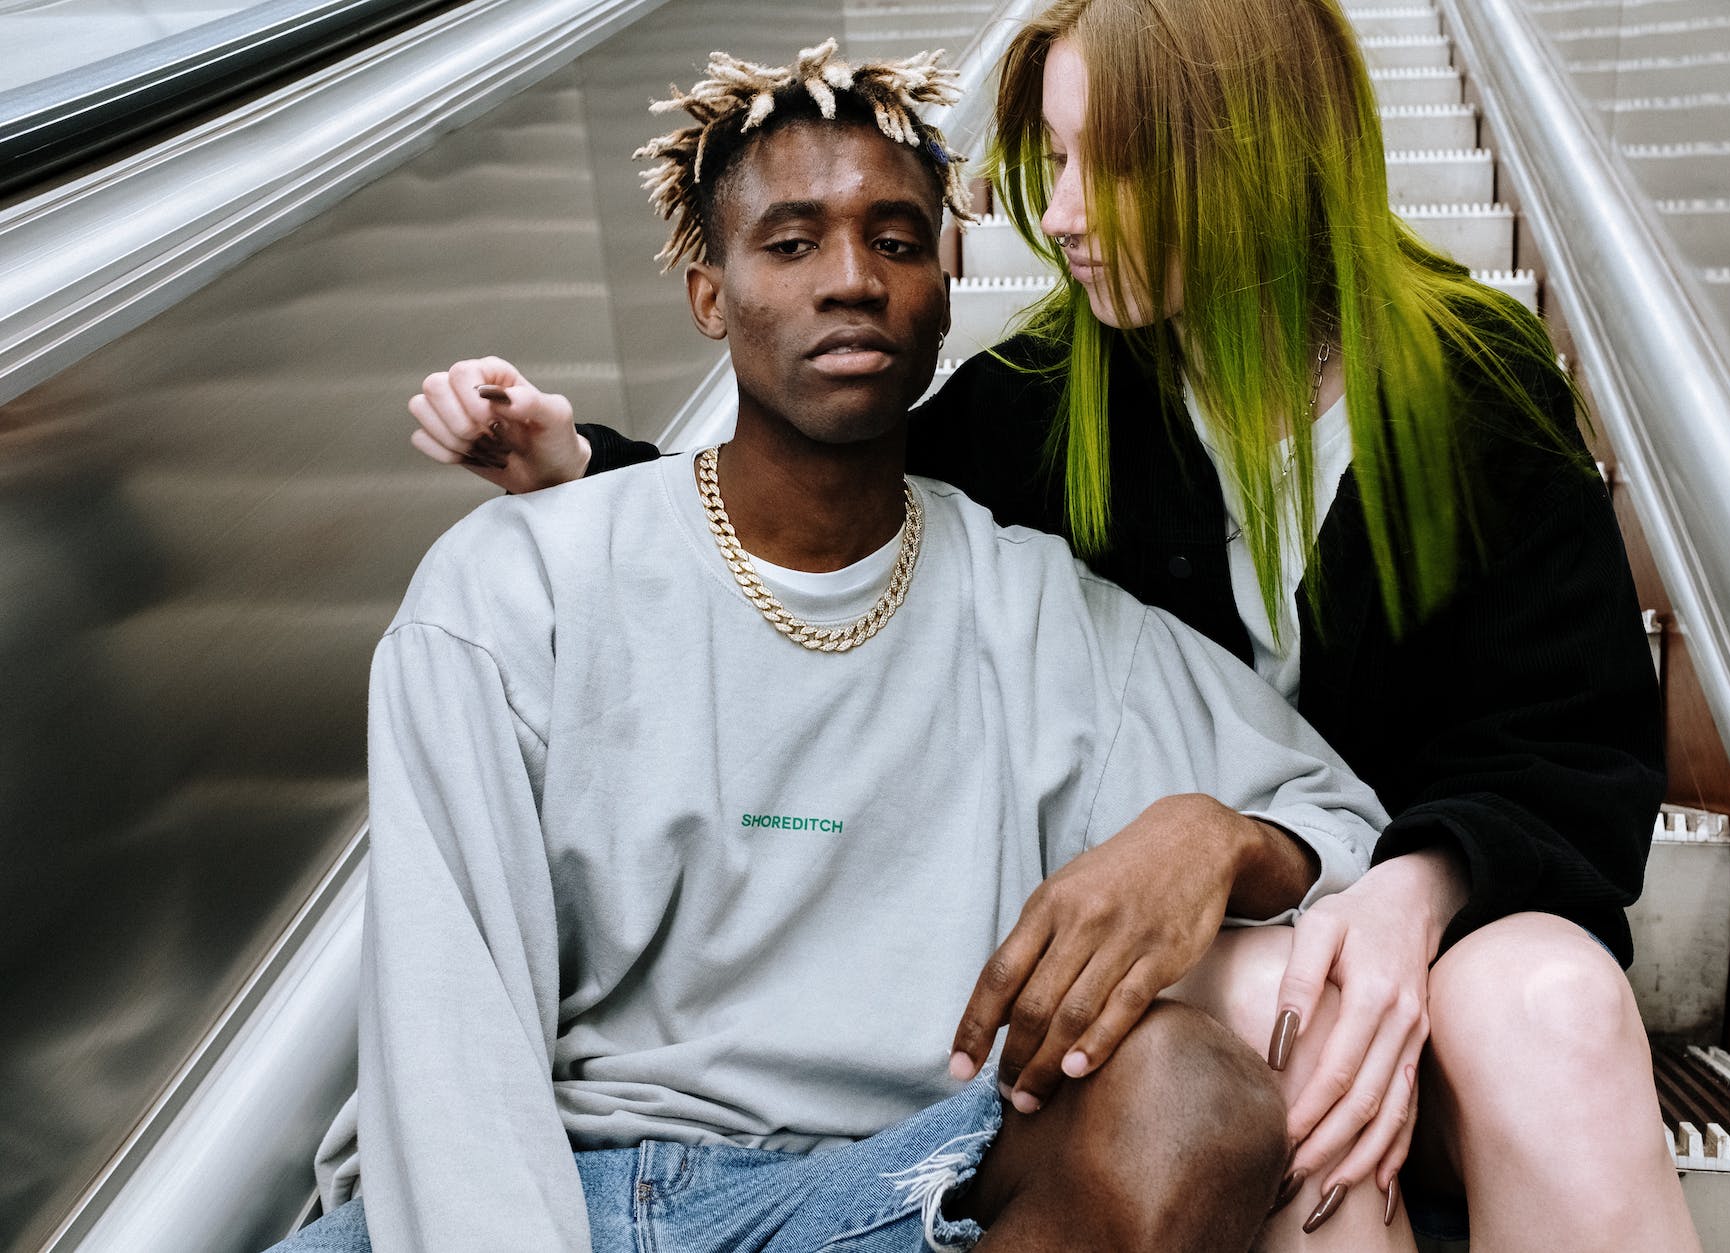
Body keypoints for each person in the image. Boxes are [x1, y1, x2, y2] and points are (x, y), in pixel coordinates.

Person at [413, 4, 1703, 1249]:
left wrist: (1413, 893)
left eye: (1116, 165)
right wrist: (587, 466)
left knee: (1553, 999)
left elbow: (1578, 743)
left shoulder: (1471, 378)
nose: (1066, 216)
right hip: (1224, 954)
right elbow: (834, 500)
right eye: (1057, 161)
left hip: (1443, 912)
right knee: (1279, 1012)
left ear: (1247, 158)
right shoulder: (1046, 395)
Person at [274, 45, 1395, 1253]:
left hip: (888, 1193)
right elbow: (449, 1029)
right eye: (793, 242)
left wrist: (1213, 833)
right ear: (710, 292)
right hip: (558, 1179)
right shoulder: (515, 586)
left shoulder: (1028, 603)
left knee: (1191, 1092)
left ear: (945, 285)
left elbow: (1330, 803)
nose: (852, 279)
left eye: (898, 240)